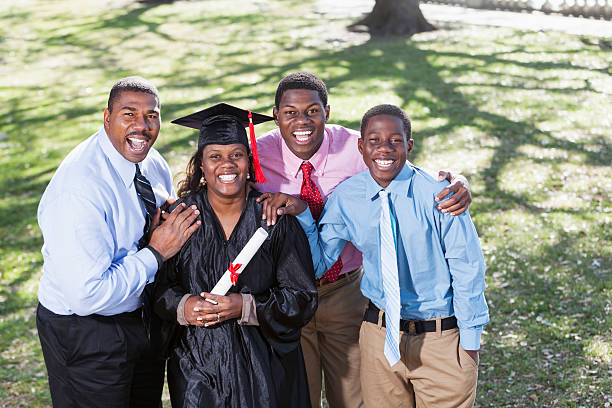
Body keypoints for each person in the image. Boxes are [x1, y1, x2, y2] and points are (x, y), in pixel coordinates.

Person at [255, 72, 473, 408]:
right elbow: (218, 171)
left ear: (327, 111)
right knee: (297, 395)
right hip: (284, 291)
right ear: (276, 113)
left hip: (345, 292)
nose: (302, 121)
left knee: (356, 397)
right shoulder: (255, 152)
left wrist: (454, 180)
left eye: (312, 111)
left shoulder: (357, 146)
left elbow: (400, 164)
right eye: (290, 112)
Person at [36, 76, 201, 408]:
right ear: (107, 117)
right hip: (85, 331)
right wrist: (156, 252)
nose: (141, 126)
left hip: (139, 318)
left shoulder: (150, 163)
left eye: (151, 116)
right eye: (129, 114)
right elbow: (87, 296)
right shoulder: (81, 189)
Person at [153, 103, 318, 408]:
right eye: (215, 156)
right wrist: (183, 306)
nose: (226, 165)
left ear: (249, 161)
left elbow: (302, 298)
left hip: (267, 368)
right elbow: (155, 289)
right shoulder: (180, 220)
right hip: (198, 367)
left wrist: (246, 306)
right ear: (201, 165)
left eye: (236, 155)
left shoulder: (275, 219)